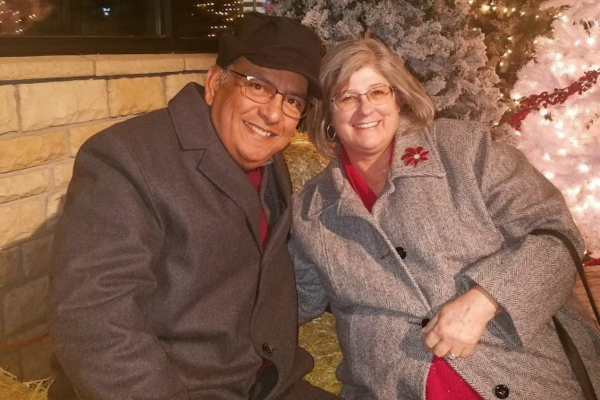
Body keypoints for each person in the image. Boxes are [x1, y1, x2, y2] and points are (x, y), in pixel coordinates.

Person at [47, 12, 343, 400]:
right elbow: (93, 317)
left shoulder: (269, 164)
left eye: (292, 100)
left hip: (264, 383)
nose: (273, 113)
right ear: (214, 83)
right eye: (257, 86)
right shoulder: (126, 159)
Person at [289, 38, 600, 400]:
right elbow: (289, 300)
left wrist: (488, 298)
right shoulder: (311, 209)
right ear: (327, 112)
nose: (364, 109)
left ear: (398, 97)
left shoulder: (465, 149)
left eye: (377, 92)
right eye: (346, 97)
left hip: (521, 374)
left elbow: (557, 233)